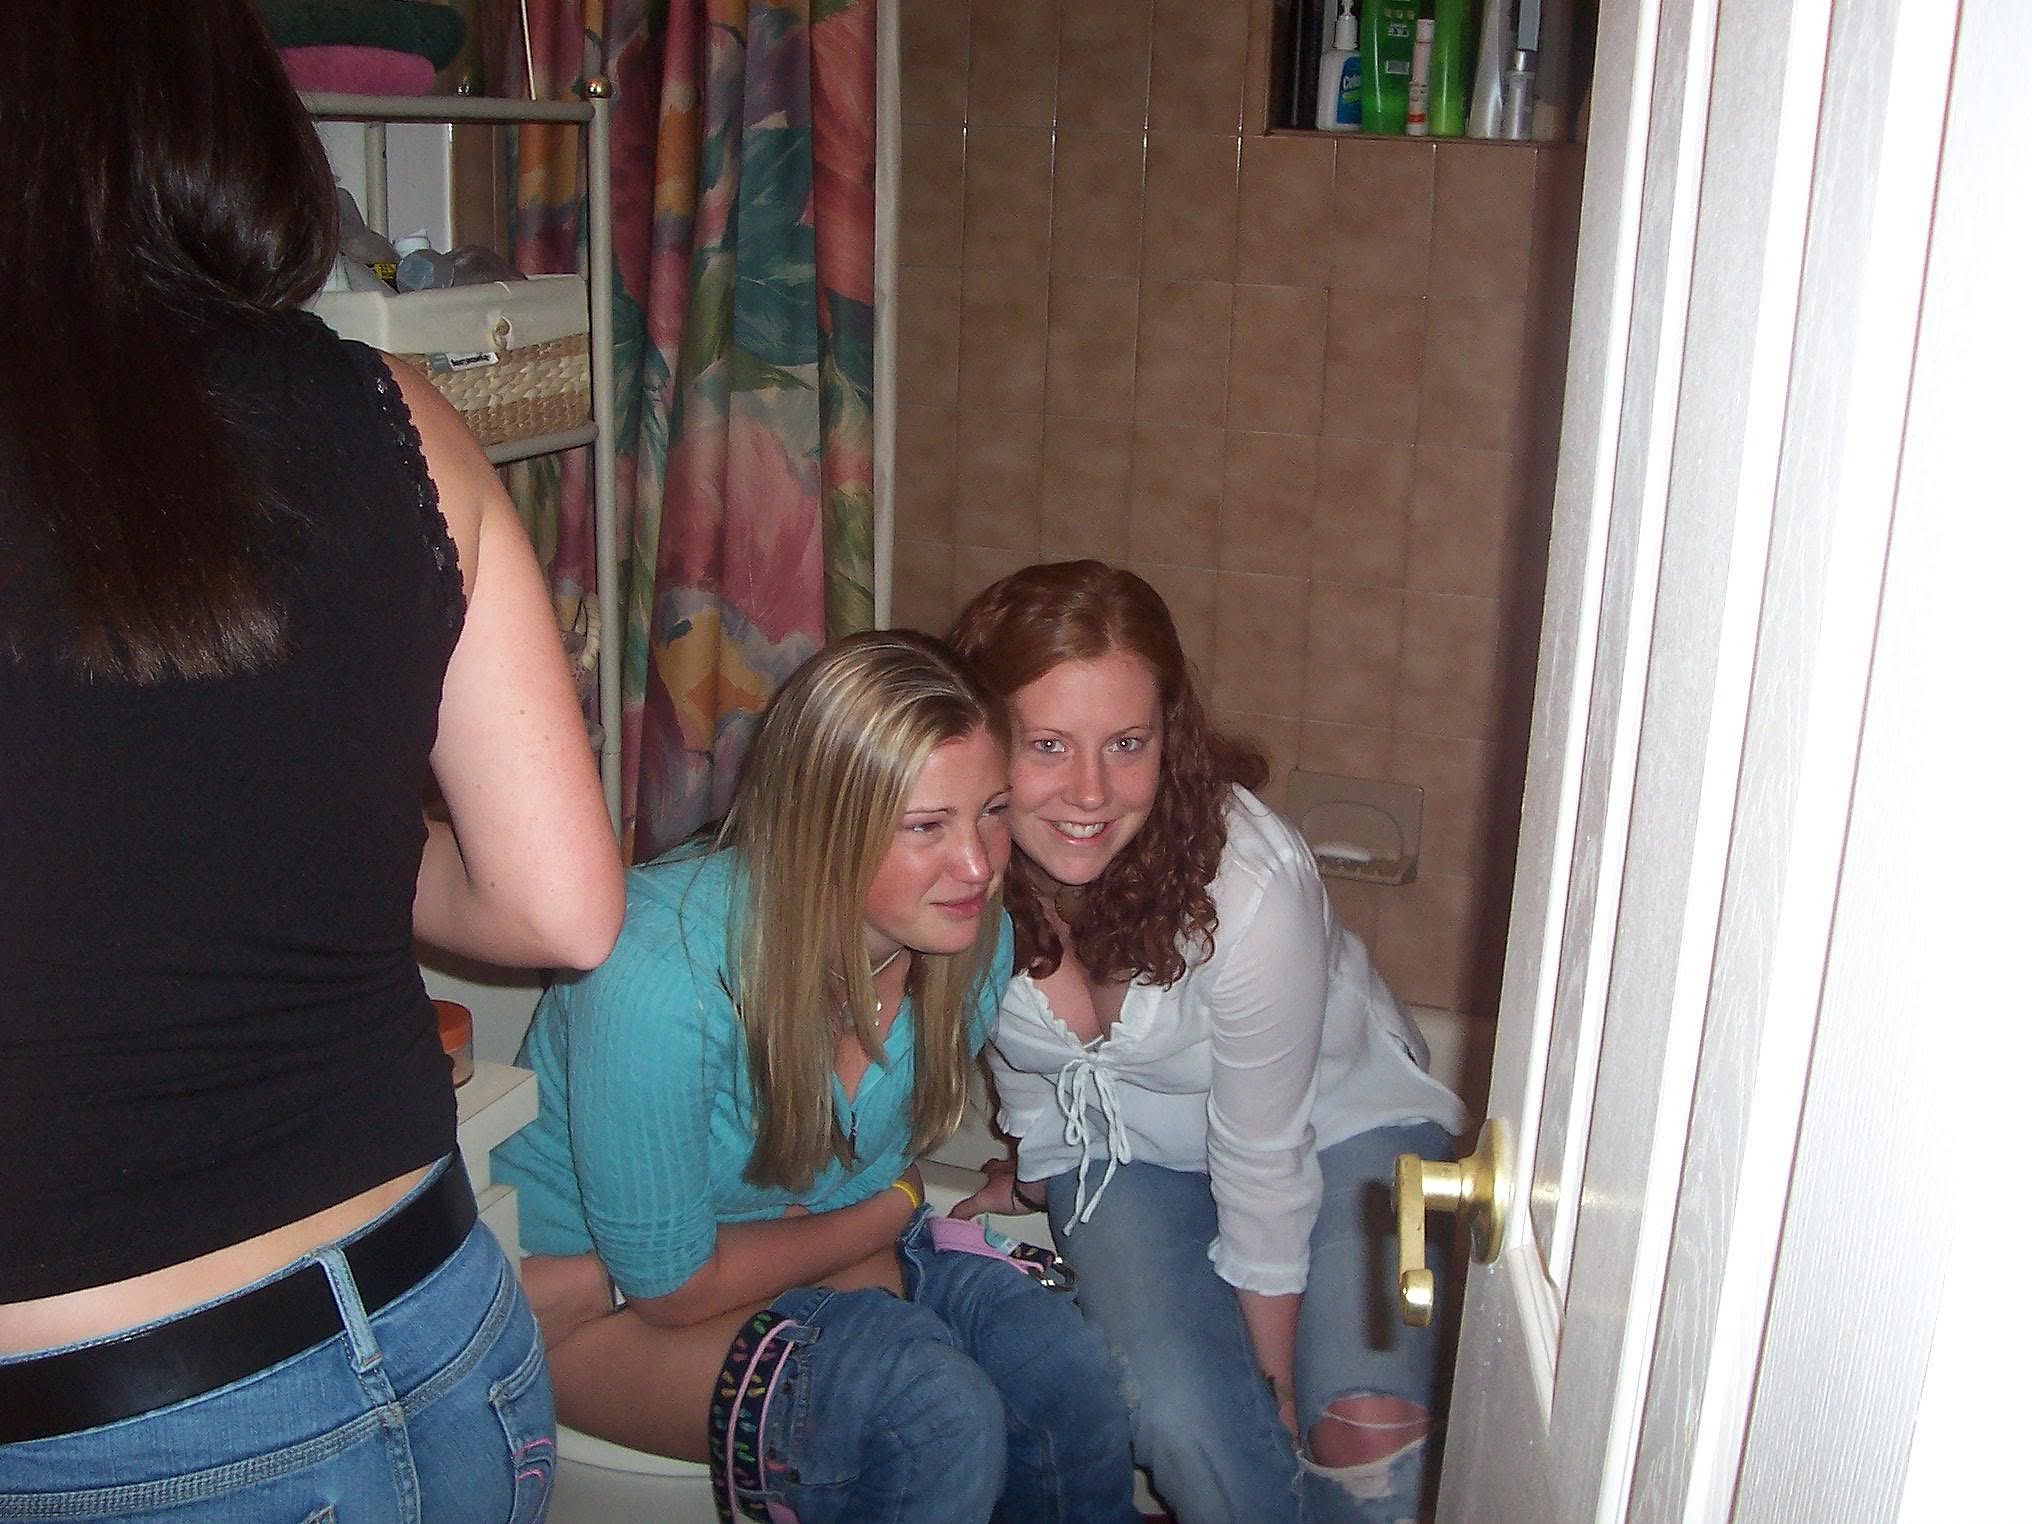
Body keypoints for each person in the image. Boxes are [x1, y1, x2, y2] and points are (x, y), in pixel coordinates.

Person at [0, 2, 625, 1516]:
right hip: (437, 1326)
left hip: (111, 1431)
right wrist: (306, 834)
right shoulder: (389, 406)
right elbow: (561, 907)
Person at [494, 630, 1140, 1524]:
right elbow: (673, 1291)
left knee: (1063, 1373)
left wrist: (871, 1222)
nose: (979, 866)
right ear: (822, 826)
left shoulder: (965, 941)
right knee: (929, 1416)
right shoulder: (659, 975)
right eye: (927, 826)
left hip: (769, 1254)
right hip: (584, 1310)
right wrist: (892, 1211)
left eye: (992, 810)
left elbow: (857, 1183)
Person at [947, 561, 1469, 1524]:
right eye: (1048, 744)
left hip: (1341, 1125)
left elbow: (1265, 1162)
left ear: (1169, 737)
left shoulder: (1247, 888)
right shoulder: (959, 859)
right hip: (1130, 1156)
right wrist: (1034, 1168)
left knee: (1363, 1435)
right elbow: (1018, 1058)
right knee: (1187, 1428)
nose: (1090, 792)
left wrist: (1273, 1391)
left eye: (1127, 744)